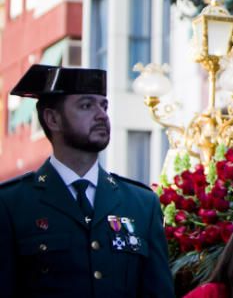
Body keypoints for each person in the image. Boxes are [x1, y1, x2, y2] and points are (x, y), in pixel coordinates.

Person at [0, 64, 174, 297]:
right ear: (52, 119)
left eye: (104, 106)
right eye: (86, 105)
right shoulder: (12, 204)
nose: (101, 115)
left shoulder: (141, 204)